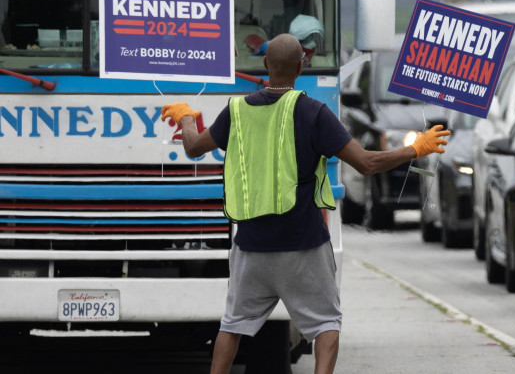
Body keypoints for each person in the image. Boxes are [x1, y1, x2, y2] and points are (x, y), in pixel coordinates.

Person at [160, 33, 450, 374]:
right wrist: (416, 148)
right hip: (303, 247)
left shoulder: (235, 111)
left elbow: (193, 148)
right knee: (326, 323)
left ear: (266, 64)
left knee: (233, 325)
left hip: (251, 248)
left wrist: (186, 117)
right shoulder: (314, 113)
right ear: (302, 66)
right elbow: (366, 164)